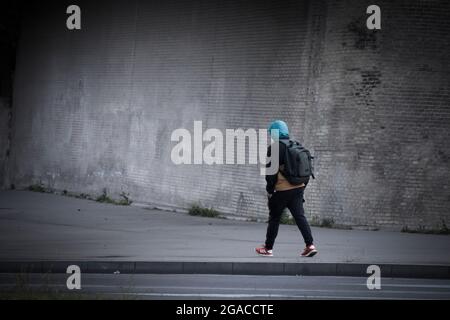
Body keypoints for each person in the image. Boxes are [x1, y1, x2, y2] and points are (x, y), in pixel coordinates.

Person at [255, 120, 317, 257]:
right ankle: (310, 245)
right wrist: (301, 188)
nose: (271, 136)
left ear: (275, 133)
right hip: (299, 187)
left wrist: (270, 190)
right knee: (300, 217)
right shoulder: (295, 145)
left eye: (271, 133)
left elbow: (270, 173)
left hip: (282, 190)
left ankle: (268, 248)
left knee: (274, 218)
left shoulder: (275, 147)